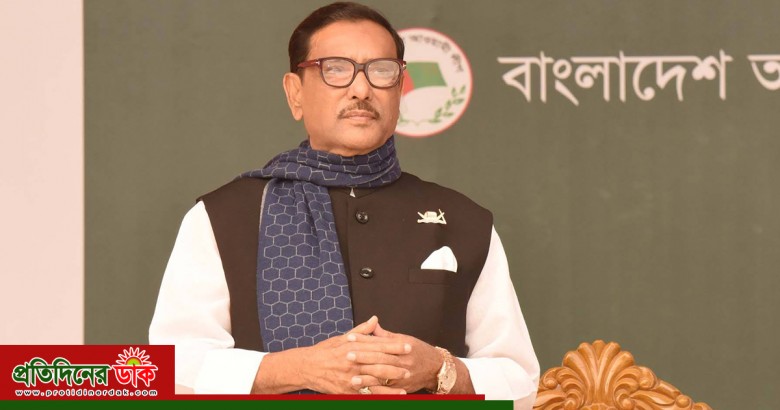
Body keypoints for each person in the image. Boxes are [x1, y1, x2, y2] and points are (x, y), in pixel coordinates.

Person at [149, 1, 539, 407]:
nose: (361, 89)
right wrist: (299, 369)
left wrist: (439, 369)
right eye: (335, 69)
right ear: (295, 93)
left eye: (381, 71)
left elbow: (522, 385)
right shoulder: (225, 218)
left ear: (400, 90)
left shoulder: (462, 221)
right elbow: (170, 370)